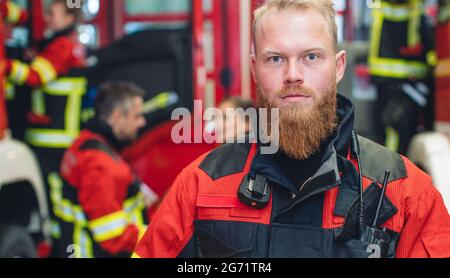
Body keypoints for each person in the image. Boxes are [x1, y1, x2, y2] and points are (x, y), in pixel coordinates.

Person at [133, 0, 450, 258]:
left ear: (338, 67)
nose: (293, 75)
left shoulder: (407, 195)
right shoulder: (200, 187)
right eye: (275, 59)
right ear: (255, 68)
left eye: (311, 56)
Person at [3, 0, 86, 244]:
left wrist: (5, 66)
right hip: (49, 140)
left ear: (69, 18)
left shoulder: (63, 46)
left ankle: (59, 247)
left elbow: (37, 76)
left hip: (54, 143)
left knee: (54, 203)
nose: (47, 17)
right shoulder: (58, 44)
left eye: (53, 12)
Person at [50, 81, 154, 258]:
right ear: (117, 116)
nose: (142, 122)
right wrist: (156, 235)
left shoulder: (84, 141)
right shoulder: (102, 166)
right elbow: (112, 236)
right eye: (137, 116)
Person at [368, 0, 436, 155]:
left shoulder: (380, 7)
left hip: (386, 80)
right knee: (397, 128)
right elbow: (428, 48)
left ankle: (390, 171)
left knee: (390, 129)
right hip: (407, 81)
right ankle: (391, 174)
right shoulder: (415, 10)